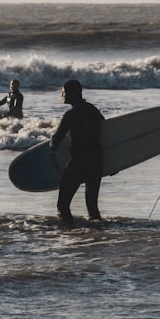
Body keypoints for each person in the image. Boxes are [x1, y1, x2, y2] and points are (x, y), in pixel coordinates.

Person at [50, 79, 104, 226]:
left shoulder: (70, 115)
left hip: (78, 163)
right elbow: (106, 133)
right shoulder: (93, 110)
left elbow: (55, 142)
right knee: (92, 206)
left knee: (63, 205)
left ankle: (70, 231)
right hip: (96, 161)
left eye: (64, 92)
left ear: (72, 94)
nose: (62, 94)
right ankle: (98, 234)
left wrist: (51, 144)